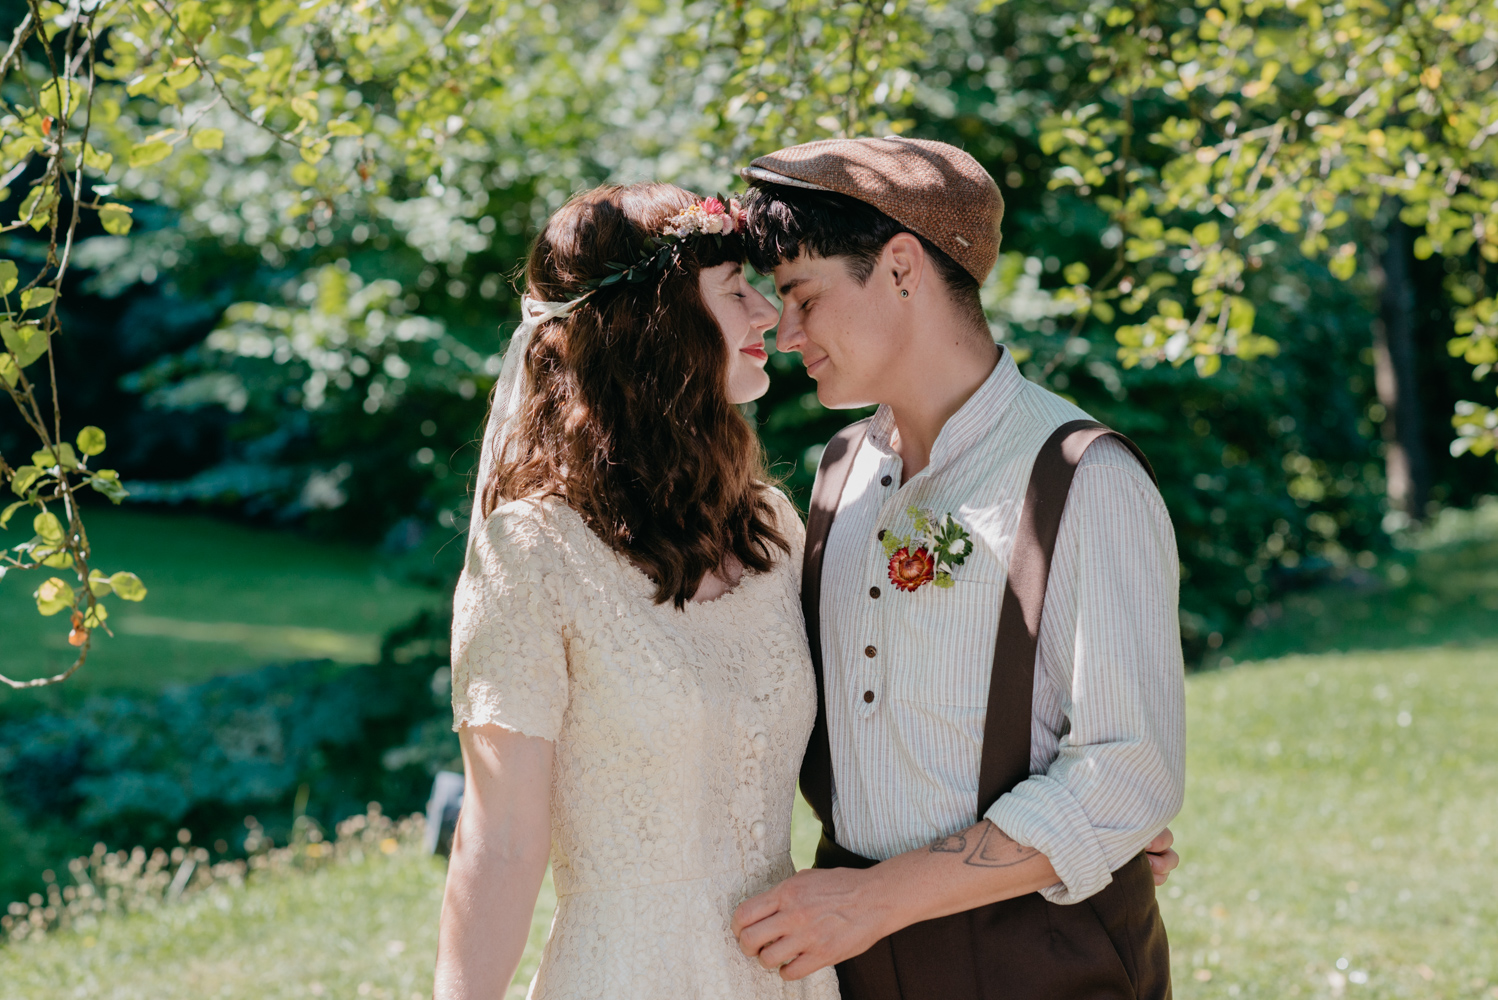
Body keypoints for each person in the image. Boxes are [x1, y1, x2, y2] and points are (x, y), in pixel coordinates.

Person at [730, 137, 1187, 999]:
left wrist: (875, 901)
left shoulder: (1087, 480)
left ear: (901, 267)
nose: (785, 334)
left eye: (803, 296)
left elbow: (1129, 768)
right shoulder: (838, 472)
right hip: (854, 965)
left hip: (1045, 959)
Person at [432, 183, 841, 999]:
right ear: (655, 324)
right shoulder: (533, 553)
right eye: (735, 293)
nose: (768, 315)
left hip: (786, 974)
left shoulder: (770, 525)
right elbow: (501, 840)